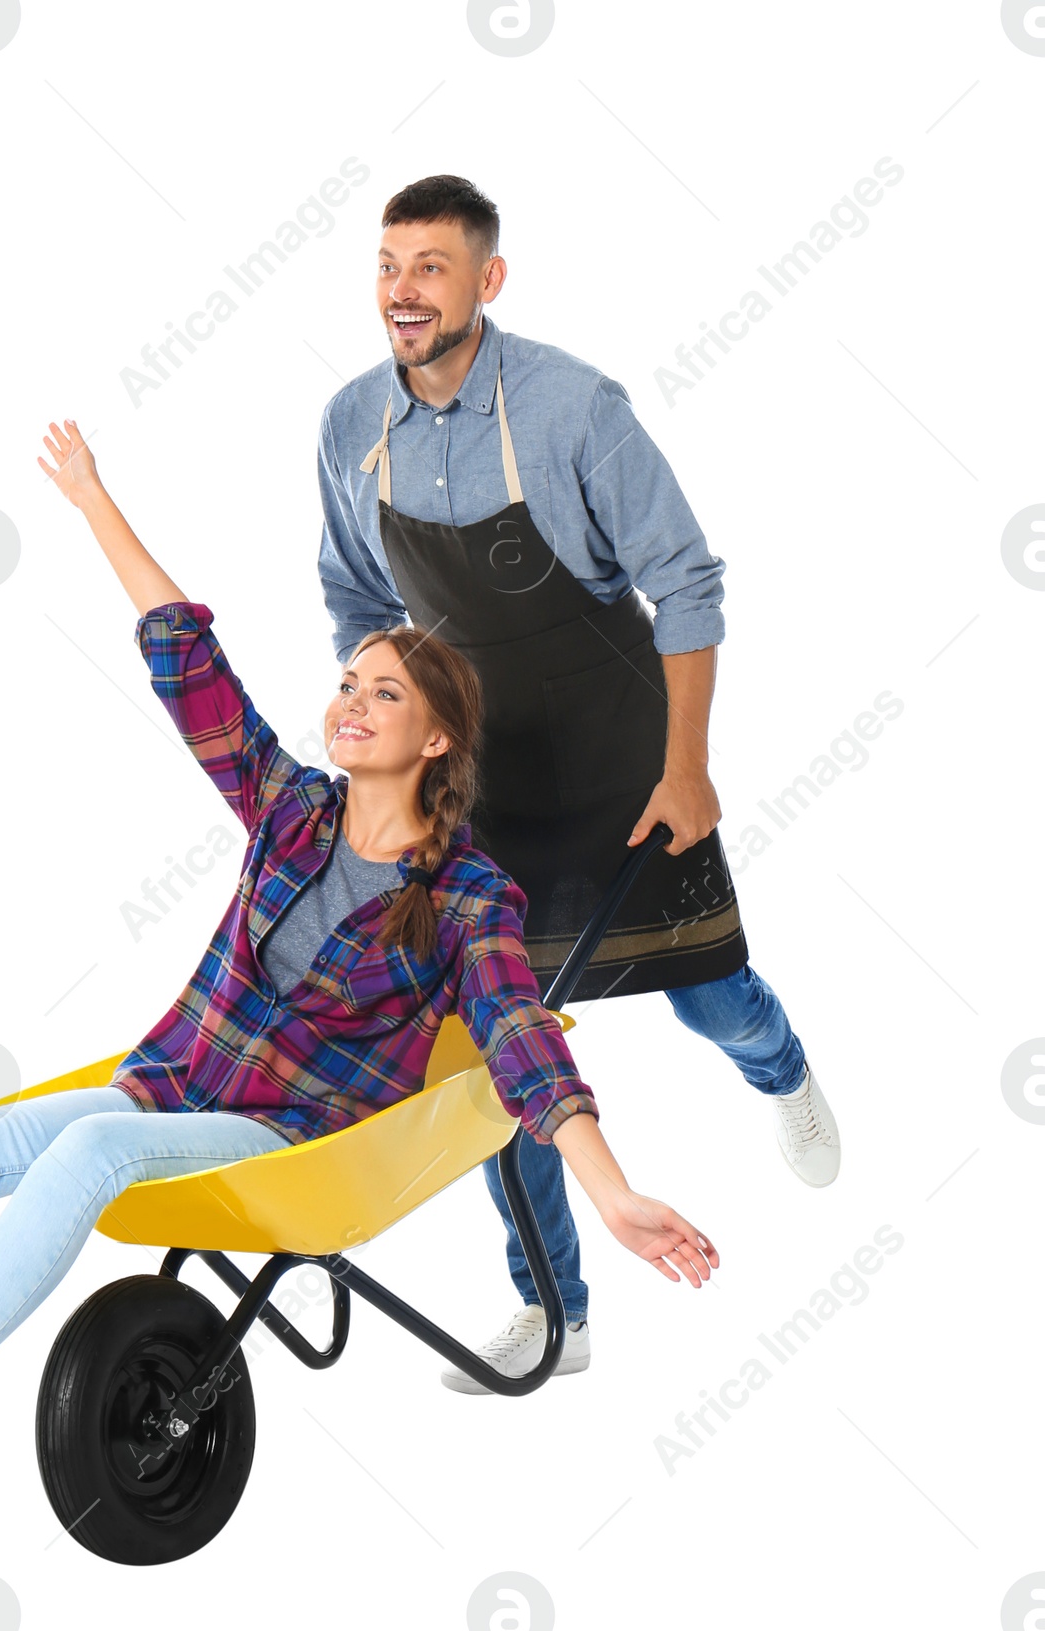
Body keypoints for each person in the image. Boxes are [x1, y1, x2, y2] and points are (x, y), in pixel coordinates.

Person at [0, 419, 717, 1540]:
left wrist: (611, 1190)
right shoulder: (290, 809)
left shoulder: (467, 892)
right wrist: (91, 499)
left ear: (433, 742)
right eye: (348, 680)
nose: (349, 702)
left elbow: (522, 1038)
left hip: (303, 1146)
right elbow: (189, 661)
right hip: (177, 1089)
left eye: (381, 694)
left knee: (84, 1150)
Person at [314, 174, 838, 1394]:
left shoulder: (571, 407)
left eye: (431, 266)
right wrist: (387, 762)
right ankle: (555, 1307)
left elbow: (688, 584)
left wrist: (689, 764)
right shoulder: (348, 424)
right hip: (478, 784)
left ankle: (784, 1070)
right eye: (389, 264)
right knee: (498, 1051)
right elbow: (355, 601)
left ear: (486, 281)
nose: (403, 289)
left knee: (709, 997)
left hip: (620, 760)